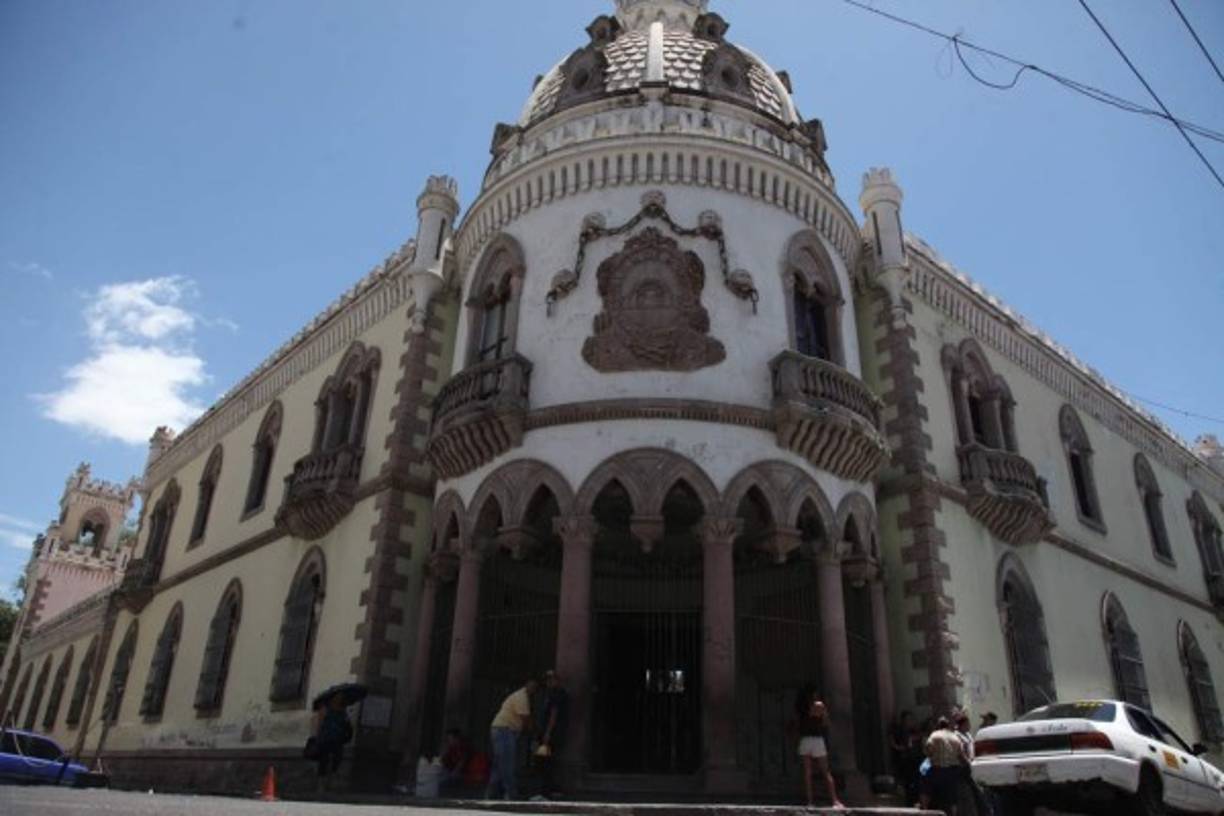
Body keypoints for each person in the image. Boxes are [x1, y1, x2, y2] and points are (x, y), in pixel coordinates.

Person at [486, 678, 538, 801]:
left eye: (535, 687)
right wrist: (535, 732)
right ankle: (511, 793)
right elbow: (525, 718)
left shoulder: (521, 696)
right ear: (527, 685)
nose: (533, 689)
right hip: (504, 730)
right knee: (507, 763)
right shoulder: (522, 697)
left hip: (501, 729)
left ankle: (491, 794)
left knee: (499, 763)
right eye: (532, 686)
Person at [795, 688, 845, 809]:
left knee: (807, 773)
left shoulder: (801, 709)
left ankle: (810, 801)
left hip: (805, 739)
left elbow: (798, 723)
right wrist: (824, 711)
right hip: (817, 740)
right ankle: (835, 800)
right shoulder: (819, 705)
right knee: (825, 771)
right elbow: (826, 723)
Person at [923, 716, 969, 815]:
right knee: (952, 797)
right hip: (952, 771)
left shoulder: (934, 735)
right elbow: (961, 755)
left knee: (925, 788)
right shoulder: (955, 737)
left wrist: (932, 756)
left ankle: (925, 809)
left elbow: (927, 750)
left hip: (937, 769)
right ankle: (953, 814)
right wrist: (968, 765)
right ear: (948, 726)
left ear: (938, 726)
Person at [534, 670, 569, 799]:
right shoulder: (552, 694)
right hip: (552, 733)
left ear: (557, 680)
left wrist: (548, 733)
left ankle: (545, 792)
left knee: (546, 762)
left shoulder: (557, 694)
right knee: (547, 762)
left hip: (552, 734)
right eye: (547, 680)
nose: (549, 682)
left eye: (552, 679)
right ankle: (553, 790)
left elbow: (554, 715)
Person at [313, 694, 354, 791]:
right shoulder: (325, 709)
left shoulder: (343, 711)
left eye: (340, 698)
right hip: (326, 738)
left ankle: (331, 782)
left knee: (337, 759)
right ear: (332, 699)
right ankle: (321, 784)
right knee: (323, 761)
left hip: (338, 739)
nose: (339, 700)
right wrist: (317, 737)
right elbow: (319, 723)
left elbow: (347, 725)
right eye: (337, 698)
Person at [890, 710, 921, 805]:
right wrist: (901, 748)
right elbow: (892, 743)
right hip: (903, 759)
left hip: (913, 759)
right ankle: (908, 800)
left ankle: (914, 800)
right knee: (906, 781)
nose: (909, 721)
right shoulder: (897, 730)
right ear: (903, 720)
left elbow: (918, 739)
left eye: (911, 719)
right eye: (908, 719)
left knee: (915, 780)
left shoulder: (913, 731)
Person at [438, 728, 471, 797]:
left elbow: (461, 764)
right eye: (448, 739)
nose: (450, 741)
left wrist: (453, 773)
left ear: (457, 738)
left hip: (465, 774)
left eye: (451, 739)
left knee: (444, 782)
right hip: (451, 773)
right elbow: (442, 761)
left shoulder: (463, 748)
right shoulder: (451, 748)